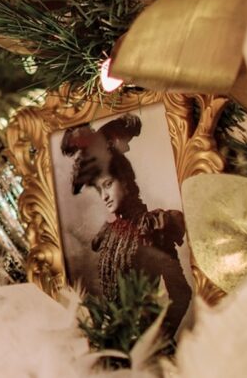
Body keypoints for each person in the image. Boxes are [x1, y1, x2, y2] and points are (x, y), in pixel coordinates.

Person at [61, 114, 192, 333]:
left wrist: (156, 336)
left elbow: (181, 293)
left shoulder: (152, 227)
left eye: (108, 184)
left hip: (147, 348)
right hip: (116, 343)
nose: (104, 196)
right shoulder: (109, 233)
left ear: (125, 181)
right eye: (98, 189)